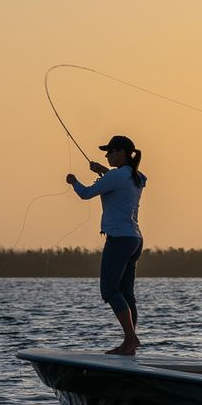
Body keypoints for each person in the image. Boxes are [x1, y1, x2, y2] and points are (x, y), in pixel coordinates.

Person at [66, 135, 147, 355]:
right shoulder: (136, 175)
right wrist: (103, 170)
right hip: (135, 239)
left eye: (110, 151)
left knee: (110, 290)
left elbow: (86, 194)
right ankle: (129, 343)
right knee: (126, 293)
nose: (107, 155)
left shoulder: (118, 175)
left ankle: (130, 339)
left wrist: (73, 181)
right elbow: (120, 180)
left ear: (121, 152)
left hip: (119, 239)